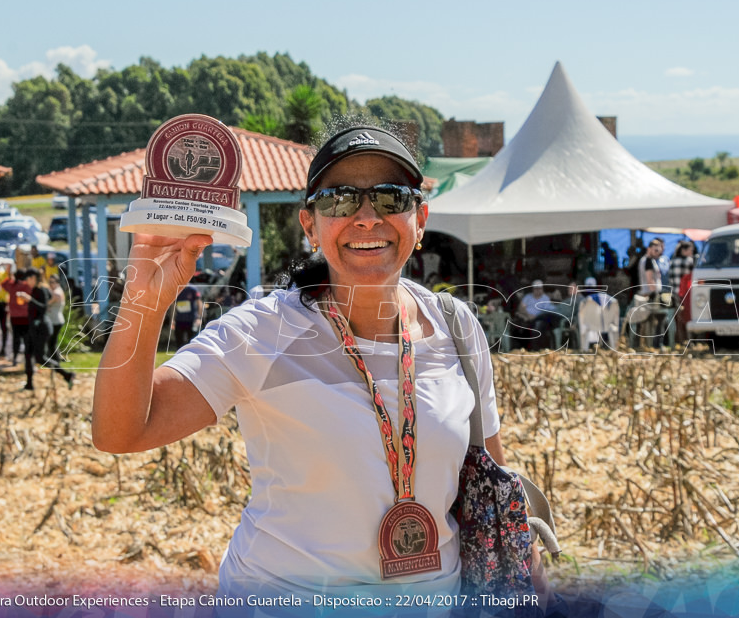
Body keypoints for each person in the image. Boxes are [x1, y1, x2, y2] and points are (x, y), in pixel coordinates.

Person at [90, 123, 549, 604]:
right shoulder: (263, 332)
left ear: (420, 220)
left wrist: (527, 565)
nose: (367, 217)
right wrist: (144, 298)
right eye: (339, 200)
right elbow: (122, 431)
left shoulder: (455, 326)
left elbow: (493, 473)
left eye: (391, 198)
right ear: (310, 225)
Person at [15, 268, 74, 391]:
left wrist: (30, 299)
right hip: (33, 327)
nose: (27, 281)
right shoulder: (34, 290)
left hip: (42, 327)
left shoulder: (42, 290)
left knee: (40, 357)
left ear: (33, 278)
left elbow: (43, 308)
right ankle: (29, 383)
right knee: (28, 355)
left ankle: (66, 374)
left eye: (28, 279)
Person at [669, 241, 696, 342]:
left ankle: (679, 339)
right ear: (684, 251)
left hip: (675, 293)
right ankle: (689, 339)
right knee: (688, 317)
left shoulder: (672, 261)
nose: (692, 252)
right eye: (690, 250)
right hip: (686, 293)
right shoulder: (689, 261)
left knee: (678, 319)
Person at [3, 269, 31, 365]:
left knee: (16, 338)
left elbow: (3, 284)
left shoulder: (12, 285)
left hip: (14, 316)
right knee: (27, 339)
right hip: (25, 316)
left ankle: (15, 358)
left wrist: (9, 276)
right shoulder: (27, 286)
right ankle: (28, 359)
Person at [171, 283, 203, 349]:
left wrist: (199, 318)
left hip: (191, 320)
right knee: (179, 343)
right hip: (179, 320)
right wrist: (173, 319)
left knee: (192, 342)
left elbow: (199, 303)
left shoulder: (192, 289)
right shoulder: (176, 290)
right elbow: (173, 306)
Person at [46, 275, 67, 362]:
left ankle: (56, 360)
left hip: (56, 321)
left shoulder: (57, 293)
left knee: (51, 342)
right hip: (55, 320)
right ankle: (56, 359)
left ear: (57, 283)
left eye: (53, 282)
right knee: (51, 342)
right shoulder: (56, 291)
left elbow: (46, 304)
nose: (51, 284)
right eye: (49, 282)